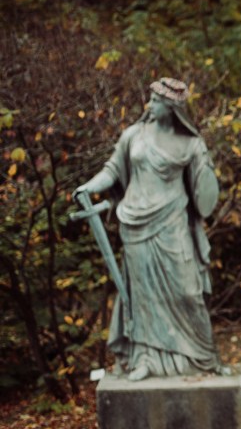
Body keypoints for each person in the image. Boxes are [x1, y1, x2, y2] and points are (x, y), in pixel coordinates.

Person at [74, 77, 224, 381]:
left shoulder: (191, 143)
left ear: (172, 108)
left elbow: (205, 193)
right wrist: (88, 187)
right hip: (135, 222)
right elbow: (112, 170)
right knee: (142, 296)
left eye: (156, 101)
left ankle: (204, 357)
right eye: (151, 99)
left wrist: (204, 163)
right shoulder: (134, 135)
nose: (150, 105)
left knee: (188, 291)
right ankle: (144, 357)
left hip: (173, 222)